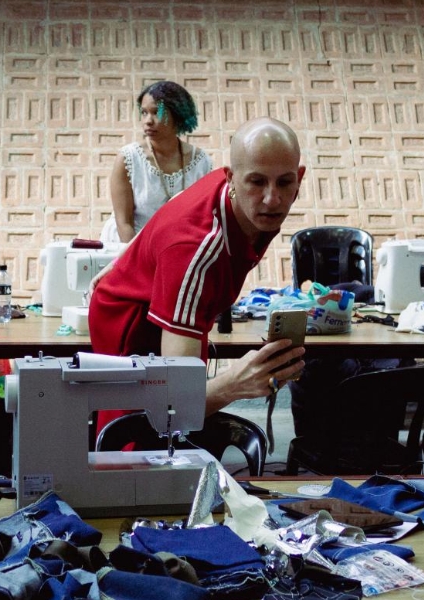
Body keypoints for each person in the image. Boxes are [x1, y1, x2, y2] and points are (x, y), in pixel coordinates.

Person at [89, 116, 306, 433]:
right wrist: (235, 384)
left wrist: (134, 255)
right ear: (232, 178)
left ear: (299, 178)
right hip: (129, 318)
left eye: (284, 182)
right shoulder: (194, 253)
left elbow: (175, 208)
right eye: (257, 182)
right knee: (143, 431)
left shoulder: (245, 197)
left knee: (183, 415)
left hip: (170, 282)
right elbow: (171, 409)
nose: (272, 199)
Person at [100, 80, 212, 243]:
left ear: (178, 114)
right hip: (128, 247)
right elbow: (124, 223)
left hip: (173, 248)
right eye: (144, 113)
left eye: (156, 112)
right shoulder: (128, 158)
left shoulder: (201, 163)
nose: (148, 121)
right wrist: (138, 262)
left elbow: (201, 221)